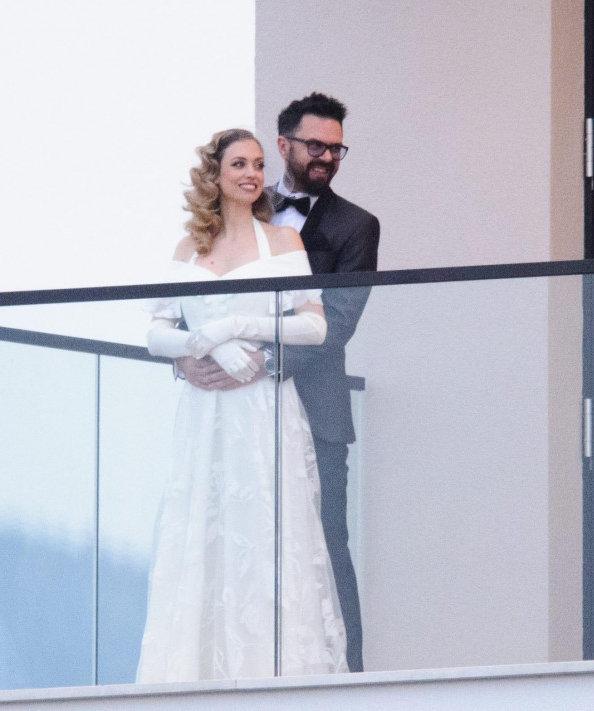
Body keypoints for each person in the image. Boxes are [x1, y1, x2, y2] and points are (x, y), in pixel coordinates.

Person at [136, 128, 348, 682]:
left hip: (261, 409)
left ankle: (274, 676)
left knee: (266, 531)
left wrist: (237, 328)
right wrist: (196, 351)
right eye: (239, 164)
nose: (252, 174)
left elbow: (314, 326)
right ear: (215, 173)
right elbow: (155, 332)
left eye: (257, 164)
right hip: (204, 412)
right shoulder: (187, 249)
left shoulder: (283, 242)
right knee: (203, 530)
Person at [178, 93, 379, 672]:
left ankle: (346, 681)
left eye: (336, 149)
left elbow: (337, 321)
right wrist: (186, 361)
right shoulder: (234, 206)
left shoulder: (357, 226)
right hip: (227, 411)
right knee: (229, 534)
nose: (327, 157)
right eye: (315, 145)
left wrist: (258, 364)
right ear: (285, 144)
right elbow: (188, 304)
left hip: (314, 411)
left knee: (323, 543)